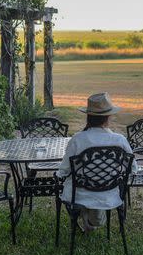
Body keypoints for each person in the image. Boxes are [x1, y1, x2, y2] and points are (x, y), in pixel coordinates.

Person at [57, 92, 136, 232]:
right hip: (110, 193)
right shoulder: (120, 140)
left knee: (66, 182)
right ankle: (94, 216)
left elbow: (64, 170)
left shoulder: (77, 139)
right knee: (95, 202)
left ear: (88, 115)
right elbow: (132, 169)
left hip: (80, 194)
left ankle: (88, 215)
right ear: (108, 117)